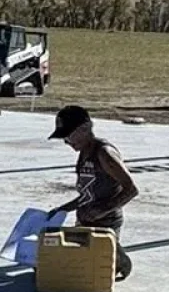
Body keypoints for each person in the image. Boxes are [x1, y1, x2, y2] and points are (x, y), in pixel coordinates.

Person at [47, 106, 138, 281]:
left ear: (86, 128)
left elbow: (131, 189)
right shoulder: (83, 152)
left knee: (96, 272)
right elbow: (87, 194)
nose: (66, 141)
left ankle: (119, 258)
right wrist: (63, 209)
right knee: (68, 266)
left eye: (68, 135)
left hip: (105, 222)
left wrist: (103, 210)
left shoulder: (104, 153)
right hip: (85, 219)